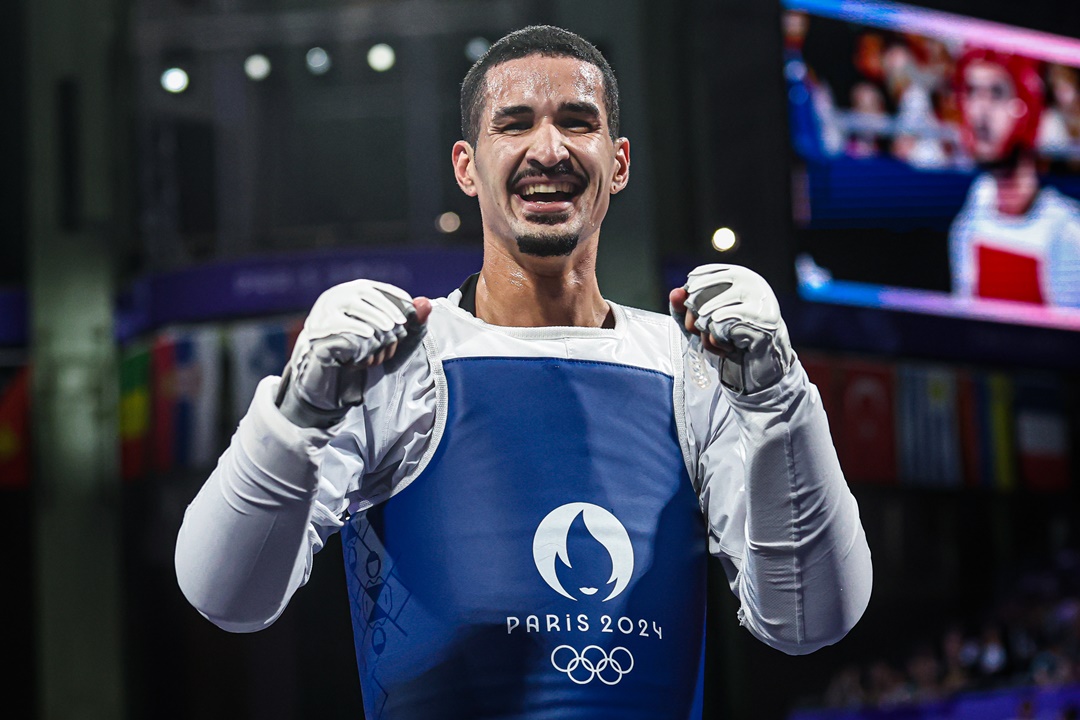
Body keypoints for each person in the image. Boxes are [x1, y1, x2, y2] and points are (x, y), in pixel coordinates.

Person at [175, 25, 872, 719]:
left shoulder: (693, 368)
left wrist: (784, 399)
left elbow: (811, 622)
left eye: (577, 122)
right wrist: (297, 410)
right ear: (467, 166)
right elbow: (226, 597)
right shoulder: (398, 364)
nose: (549, 149)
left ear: (619, 162)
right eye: (514, 125)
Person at [948, 47, 1080, 307]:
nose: (980, 113)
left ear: (1027, 105)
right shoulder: (976, 204)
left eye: (997, 93)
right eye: (972, 92)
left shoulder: (1065, 232)